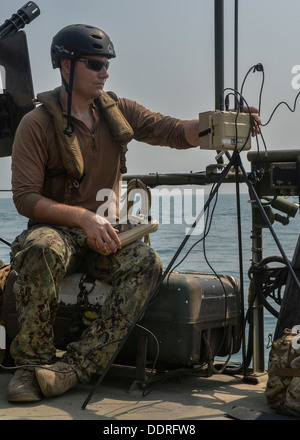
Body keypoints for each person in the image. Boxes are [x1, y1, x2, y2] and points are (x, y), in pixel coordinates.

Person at [7, 24, 261, 402]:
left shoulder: (117, 111)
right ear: (65, 65)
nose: (104, 72)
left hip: (106, 231)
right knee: (39, 248)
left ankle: (73, 368)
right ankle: (30, 367)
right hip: (58, 229)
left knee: (145, 264)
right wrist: (82, 218)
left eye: (106, 64)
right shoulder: (36, 124)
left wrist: (224, 124)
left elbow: (173, 130)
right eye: (94, 64)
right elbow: (25, 198)